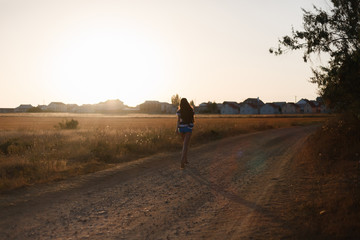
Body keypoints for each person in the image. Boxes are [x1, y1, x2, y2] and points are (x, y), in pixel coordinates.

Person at [176, 98, 194, 169]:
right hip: (188, 128)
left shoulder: (179, 111)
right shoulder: (191, 110)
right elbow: (192, 120)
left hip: (181, 128)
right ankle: (182, 160)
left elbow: (178, 121)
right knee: (185, 145)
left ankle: (185, 159)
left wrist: (176, 129)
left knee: (184, 144)